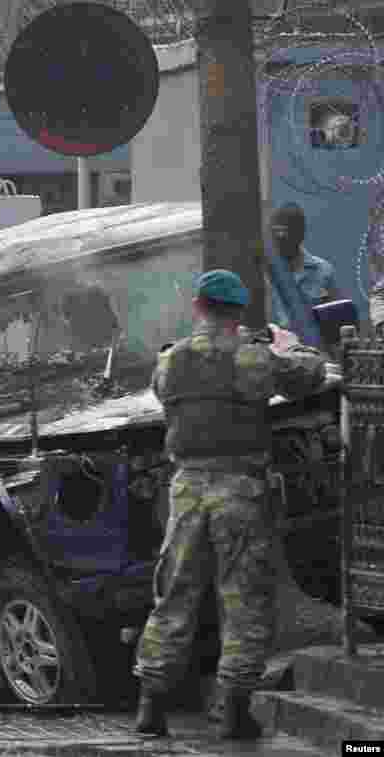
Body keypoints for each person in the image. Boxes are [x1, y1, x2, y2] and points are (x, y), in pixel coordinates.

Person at [134, 269, 328, 740]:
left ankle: (151, 706)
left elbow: (164, 395)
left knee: (174, 596)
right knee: (243, 599)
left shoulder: (171, 360)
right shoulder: (254, 357)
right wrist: (288, 345)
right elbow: (311, 375)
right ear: (239, 311)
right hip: (240, 490)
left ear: (198, 306)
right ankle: (235, 712)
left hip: (187, 490)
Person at [269, 203, 340, 332]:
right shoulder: (264, 273)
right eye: (276, 231)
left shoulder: (323, 271)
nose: (281, 237)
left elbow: (337, 321)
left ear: (300, 234)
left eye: (286, 231)